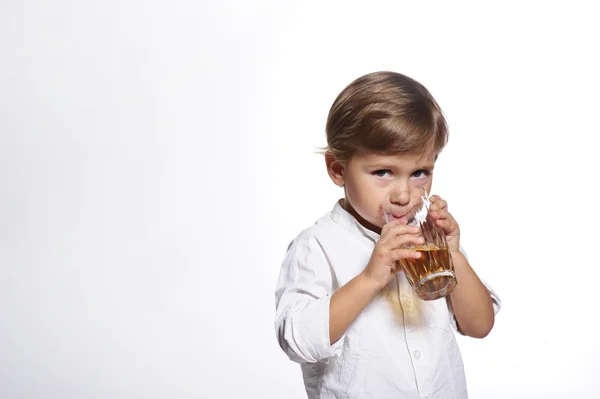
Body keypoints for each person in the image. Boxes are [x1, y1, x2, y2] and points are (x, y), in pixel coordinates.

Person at [274, 71, 501, 399]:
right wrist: (368, 279)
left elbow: (480, 326)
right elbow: (297, 341)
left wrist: (453, 255)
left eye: (419, 173)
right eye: (383, 172)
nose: (404, 194)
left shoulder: (429, 239)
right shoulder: (318, 246)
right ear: (338, 170)